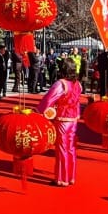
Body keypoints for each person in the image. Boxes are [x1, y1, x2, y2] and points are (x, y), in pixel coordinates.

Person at [38, 58, 82, 187]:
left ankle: (62, 178)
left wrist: (40, 111)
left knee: (62, 148)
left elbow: (48, 99)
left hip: (63, 119)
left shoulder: (61, 84)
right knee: (71, 148)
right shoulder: (78, 84)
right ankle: (70, 176)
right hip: (73, 119)